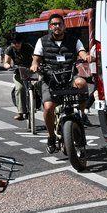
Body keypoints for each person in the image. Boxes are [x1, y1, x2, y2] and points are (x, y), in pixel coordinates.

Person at [30, 13, 90, 152]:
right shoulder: (42, 41)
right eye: (54, 24)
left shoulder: (74, 40)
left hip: (69, 77)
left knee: (81, 83)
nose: (57, 26)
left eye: (59, 24)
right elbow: (36, 58)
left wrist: (86, 56)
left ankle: (82, 114)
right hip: (50, 79)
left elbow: (81, 52)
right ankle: (51, 136)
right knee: (48, 107)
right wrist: (34, 65)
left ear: (64, 26)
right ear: (50, 27)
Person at [2, 34, 34, 120]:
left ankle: (45, 108)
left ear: (21, 42)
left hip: (31, 70)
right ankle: (20, 113)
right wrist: (8, 66)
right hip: (18, 72)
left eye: (19, 42)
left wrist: (35, 65)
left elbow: (35, 57)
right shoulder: (9, 49)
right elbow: (6, 62)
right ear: (12, 43)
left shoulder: (28, 47)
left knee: (40, 86)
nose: (17, 44)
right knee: (19, 89)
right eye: (14, 43)